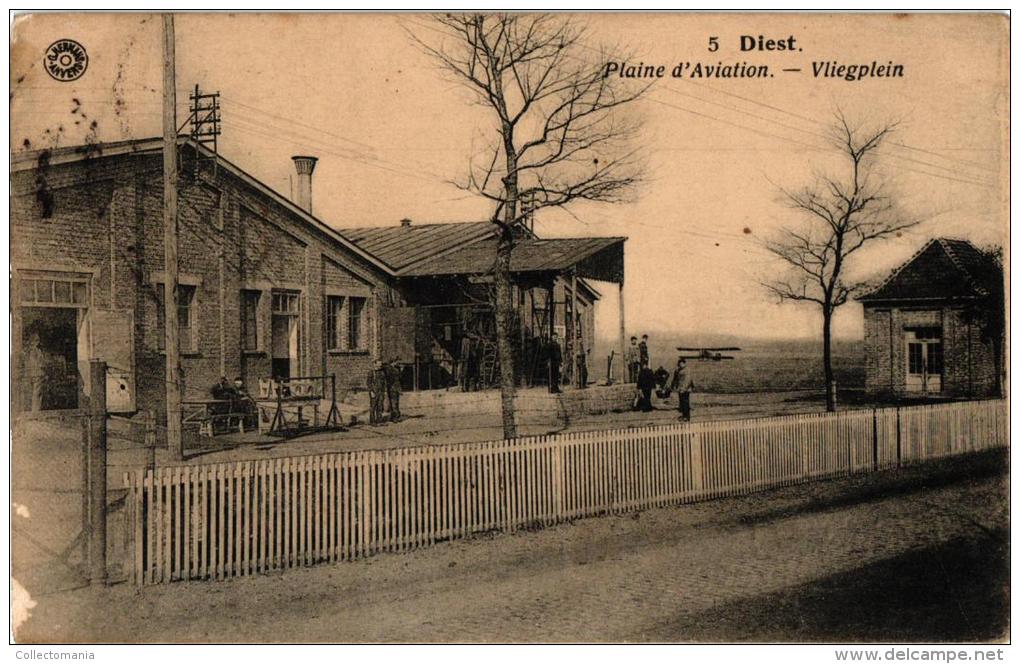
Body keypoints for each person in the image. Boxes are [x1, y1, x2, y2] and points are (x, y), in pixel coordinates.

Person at [24, 334, 46, 412]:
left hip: (36, 373)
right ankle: (35, 410)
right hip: (37, 373)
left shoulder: (33, 351)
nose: (38, 342)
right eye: (36, 340)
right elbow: (37, 363)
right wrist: (43, 365)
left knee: (36, 392)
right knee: (37, 392)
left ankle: (35, 409)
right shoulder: (35, 351)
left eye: (38, 340)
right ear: (33, 341)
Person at [367, 360, 387, 425]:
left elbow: (384, 382)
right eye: (378, 365)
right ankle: (372, 421)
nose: (380, 366)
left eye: (380, 365)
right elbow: (369, 383)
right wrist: (371, 391)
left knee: (380, 406)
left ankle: (379, 421)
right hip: (374, 392)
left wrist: (384, 391)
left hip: (381, 392)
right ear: (375, 364)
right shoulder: (371, 372)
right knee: (373, 407)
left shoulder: (382, 372)